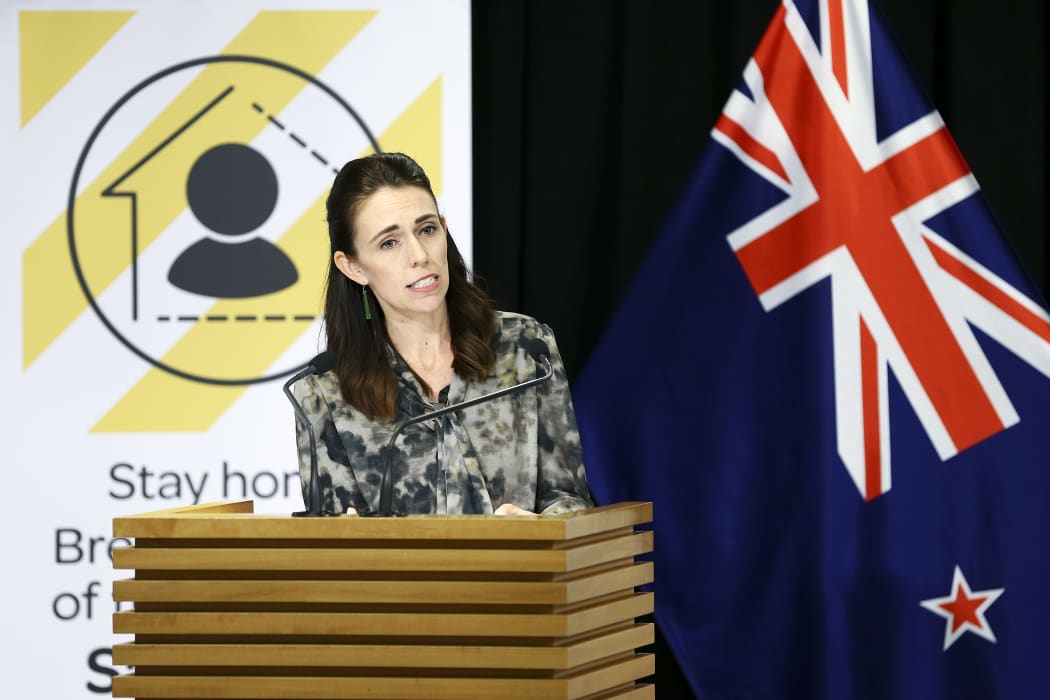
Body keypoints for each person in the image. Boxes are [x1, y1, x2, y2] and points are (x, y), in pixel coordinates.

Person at [293, 152, 593, 516]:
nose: (419, 255)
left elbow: (569, 498)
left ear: (444, 230)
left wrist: (539, 529)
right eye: (389, 243)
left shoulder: (526, 348)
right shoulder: (325, 393)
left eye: (427, 230)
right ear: (352, 266)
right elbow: (332, 532)